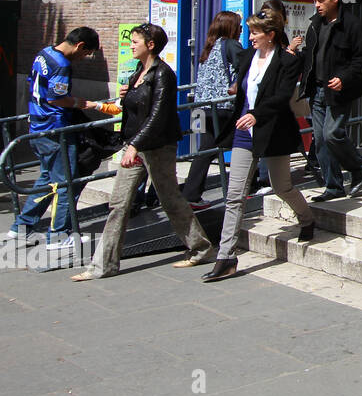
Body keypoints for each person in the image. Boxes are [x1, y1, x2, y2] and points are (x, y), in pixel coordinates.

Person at [71, 24, 214, 280]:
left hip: (157, 147)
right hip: (135, 145)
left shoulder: (163, 74)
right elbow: (137, 109)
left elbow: (157, 116)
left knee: (170, 200)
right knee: (118, 204)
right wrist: (126, 97)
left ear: (150, 45)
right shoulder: (139, 71)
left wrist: (134, 145)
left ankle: (201, 248)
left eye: (135, 41)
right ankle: (103, 265)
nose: (131, 45)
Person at [202, 11, 316, 282]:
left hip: (273, 131)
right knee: (234, 195)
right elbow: (242, 87)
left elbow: (280, 97)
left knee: (281, 186)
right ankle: (226, 257)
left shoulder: (288, 61)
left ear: (271, 35)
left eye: (255, 33)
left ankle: (307, 218)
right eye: (250, 32)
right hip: (244, 132)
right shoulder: (245, 57)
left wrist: (258, 113)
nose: (249, 37)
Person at [8, 27, 101, 249]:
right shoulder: (62, 64)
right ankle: (59, 234)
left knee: (47, 179)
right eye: (86, 54)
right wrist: (85, 103)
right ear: (80, 46)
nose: (83, 59)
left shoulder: (44, 53)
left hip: (37, 126)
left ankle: (21, 228)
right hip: (55, 129)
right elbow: (57, 99)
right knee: (65, 183)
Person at [300, 0, 362, 200]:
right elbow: (311, 55)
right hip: (317, 90)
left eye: (320, 0)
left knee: (333, 134)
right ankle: (333, 186)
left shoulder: (350, 24)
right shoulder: (315, 24)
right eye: (314, 1)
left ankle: (359, 167)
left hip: (338, 91)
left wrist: (344, 78)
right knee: (320, 139)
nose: (317, 5)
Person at [180, 11, 243, 209]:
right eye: (239, 26)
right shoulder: (231, 45)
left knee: (205, 149)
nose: (241, 30)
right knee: (245, 143)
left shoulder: (209, 47)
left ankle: (190, 194)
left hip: (201, 108)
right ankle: (246, 187)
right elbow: (246, 67)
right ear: (231, 28)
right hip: (222, 107)